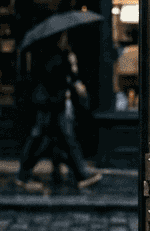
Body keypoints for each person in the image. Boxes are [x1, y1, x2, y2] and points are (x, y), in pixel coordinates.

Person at [13, 31, 103, 192]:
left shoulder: (54, 54)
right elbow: (53, 77)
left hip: (53, 103)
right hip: (49, 103)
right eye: (63, 36)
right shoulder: (52, 55)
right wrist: (70, 75)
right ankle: (23, 175)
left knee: (59, 139)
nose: (66, 39)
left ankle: (81, 175)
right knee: (42, 140)